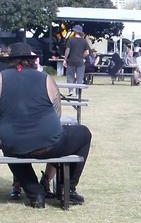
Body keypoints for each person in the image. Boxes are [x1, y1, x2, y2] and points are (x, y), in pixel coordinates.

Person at [0, 42, 91, 206]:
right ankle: (66, 189)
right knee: (84, 133)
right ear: (31, 60)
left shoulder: (1, 78)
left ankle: (35, 193)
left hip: (14, 144)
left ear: (10, 61)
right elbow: (57, 113)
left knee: (9, 148)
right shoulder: (46, 79)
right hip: (49, 143)